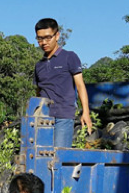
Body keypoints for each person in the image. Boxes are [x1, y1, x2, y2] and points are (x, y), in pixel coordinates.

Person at [34, 18, 92, 147]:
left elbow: (80, 86)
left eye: (48, 37)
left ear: (57, 35)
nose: (44, 42)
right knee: (42, 157)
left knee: (59, 156)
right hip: (43, 118)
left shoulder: (69, 57)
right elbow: (38, 91)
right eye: (40, 38)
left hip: (63, 116)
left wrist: (85, 112)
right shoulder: (39, 65)